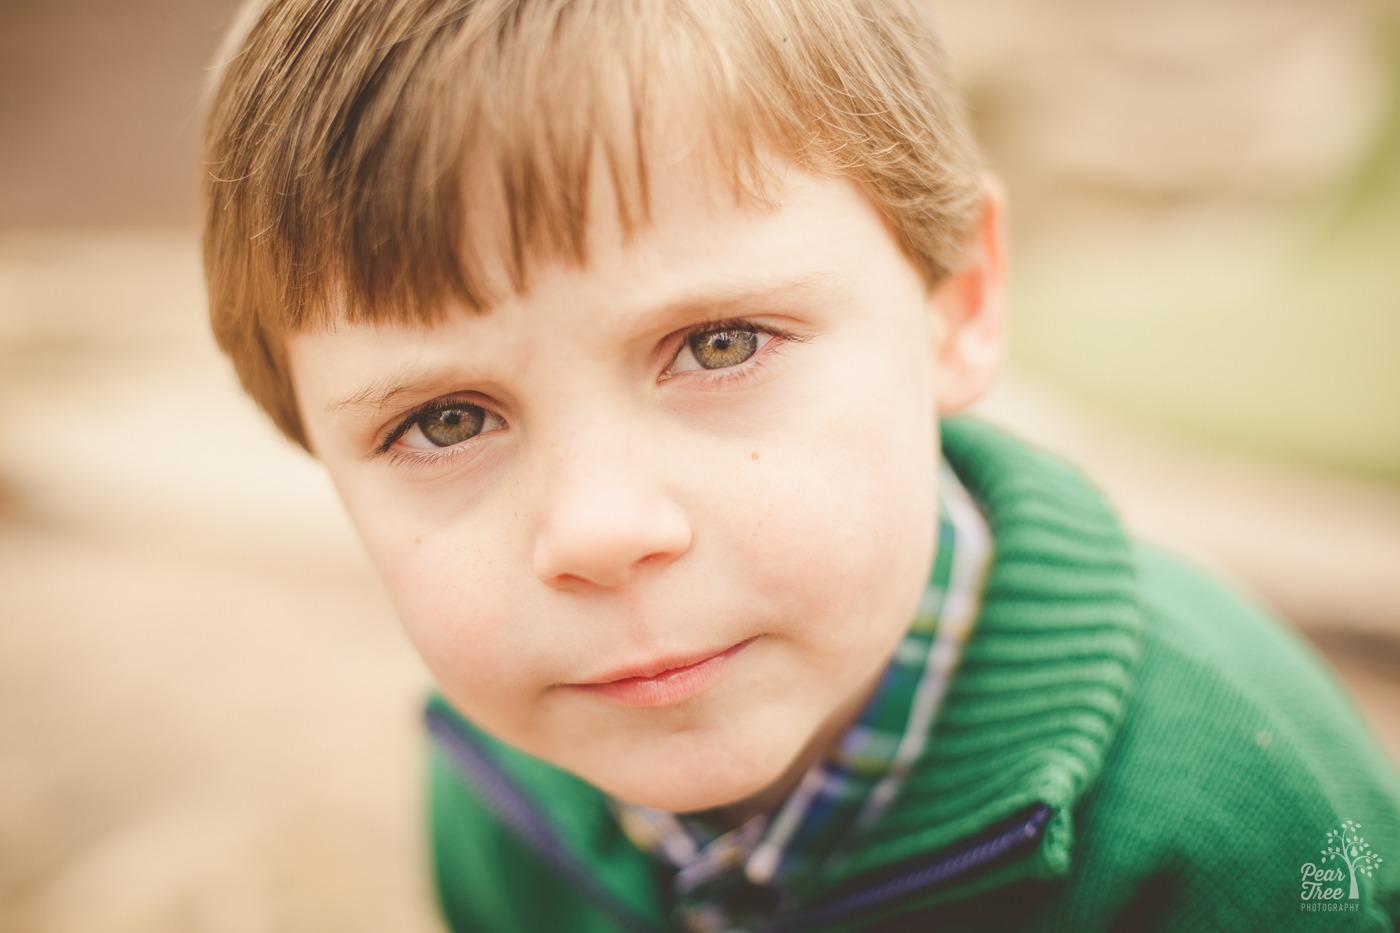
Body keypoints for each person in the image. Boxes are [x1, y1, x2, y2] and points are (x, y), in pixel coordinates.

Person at [200, 0, 1400, 929]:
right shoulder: (504, 795)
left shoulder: (1252, 839)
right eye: (447, 422)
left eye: (717, 345)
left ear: (956, 304)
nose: (599, 528)